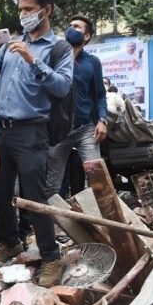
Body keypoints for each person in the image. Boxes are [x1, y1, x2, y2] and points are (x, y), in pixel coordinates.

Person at [0, 0, 73, 287]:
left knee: (34, 198)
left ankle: (51, 257)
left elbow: (62, 87)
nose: (23, 15)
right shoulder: (12, 43)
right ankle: (10, 242)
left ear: (46, 10)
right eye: (20, 9)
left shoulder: (59, 48)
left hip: (31, 132)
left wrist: (33, 60)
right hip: (0, 131)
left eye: (29, 9)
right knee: (0, 193)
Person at [45, 15, 108, 198]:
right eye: (70, 25)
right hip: (58, 131)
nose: (70, 28)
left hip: (85, 129)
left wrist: (102, 120)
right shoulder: (54, 57)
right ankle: (51, 217)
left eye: (77, 27)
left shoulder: (92, 62)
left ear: (86, 36)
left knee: (98, 179)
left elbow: (100, 95)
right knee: (52, 184)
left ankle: (106, 216)